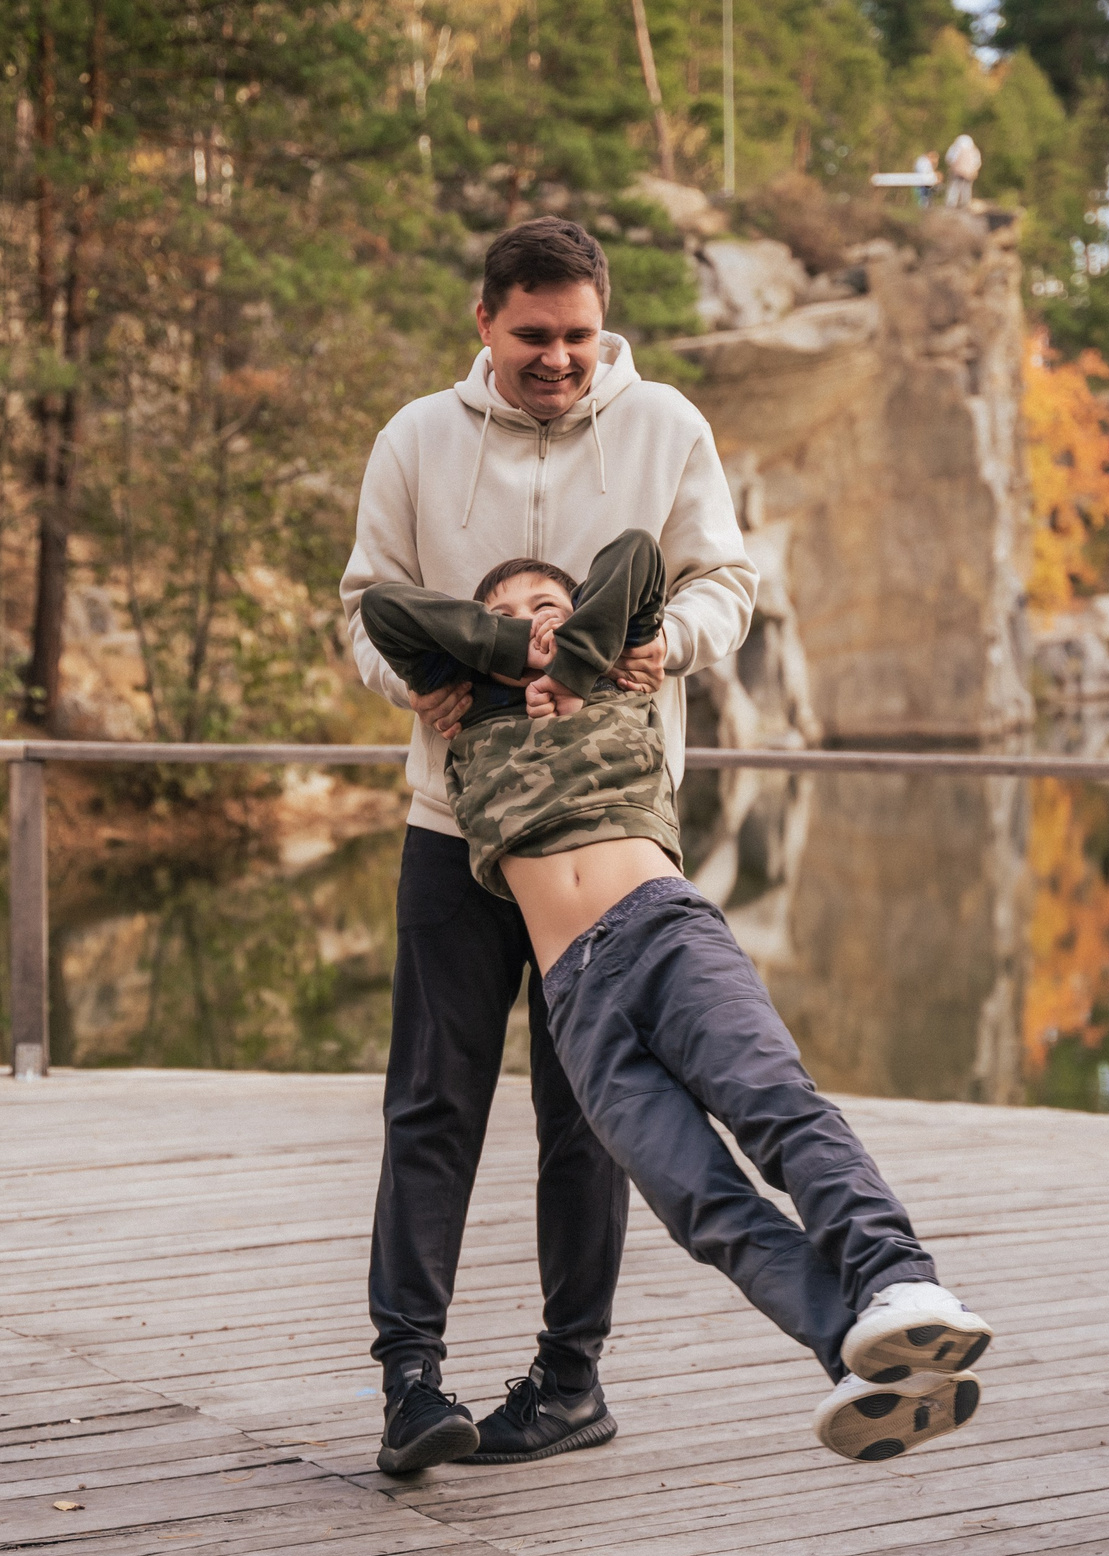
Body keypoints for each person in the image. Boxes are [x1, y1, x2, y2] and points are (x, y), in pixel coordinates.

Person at [360, 532, 996, 1464]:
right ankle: (861, 1358)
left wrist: (571, 656)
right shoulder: (459, 710)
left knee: (775, 1107)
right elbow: (385, 611)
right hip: (575, 1003)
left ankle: (902, 1281)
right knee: (697, 1199)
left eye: (546, 606)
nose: (528, 624)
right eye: (500, 615)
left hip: (665, 935)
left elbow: (637, 559)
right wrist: (508, 649)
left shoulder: (618, 677)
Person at [340, 217, 758, 1476]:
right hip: (453, 826)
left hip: (609, 839)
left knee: (587, 1112)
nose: (559, 359)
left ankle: (570, 1381)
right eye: (533, 335)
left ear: (602, 325)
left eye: (578, 335)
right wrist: (412, 683)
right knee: (431, 1103)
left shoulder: (665, 425)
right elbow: (363, 608)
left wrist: (669, 643)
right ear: (484, 321)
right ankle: (410, 1382)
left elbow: (724, 584)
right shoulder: (417, 438)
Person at [944, 134, 982, 208]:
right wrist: (974, 170)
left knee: (954, 187)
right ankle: (965, 203)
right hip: (969, 173)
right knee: (966, 188)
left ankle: (951, 204)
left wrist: (952, 167)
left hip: (956, 172)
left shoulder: (954, 148)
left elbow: (949, 159)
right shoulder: (974, 150)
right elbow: (977, 162)